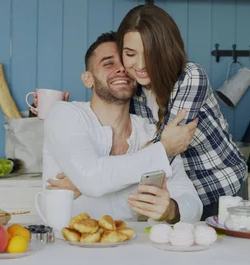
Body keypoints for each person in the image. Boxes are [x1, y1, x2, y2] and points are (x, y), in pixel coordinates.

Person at [42, 32, 202, 223]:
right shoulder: (65, 115)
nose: (122, 70)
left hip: (126, 245)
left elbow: (192, 202)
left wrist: (171, 210)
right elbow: (92, 178)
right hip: (64, 245)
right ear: (88, 79)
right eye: (108, 64)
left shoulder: (150, 133)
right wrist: (162, 151)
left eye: (126, 65)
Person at [116, 4, 248, 220]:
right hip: (177, 198)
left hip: (221, 191)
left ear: (165, 50)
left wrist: (105, 174)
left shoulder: (190, 77)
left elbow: (170, 147)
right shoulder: (136, 93)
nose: (140, 64)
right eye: (130, 54)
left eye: (150, 54)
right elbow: (151, 147)